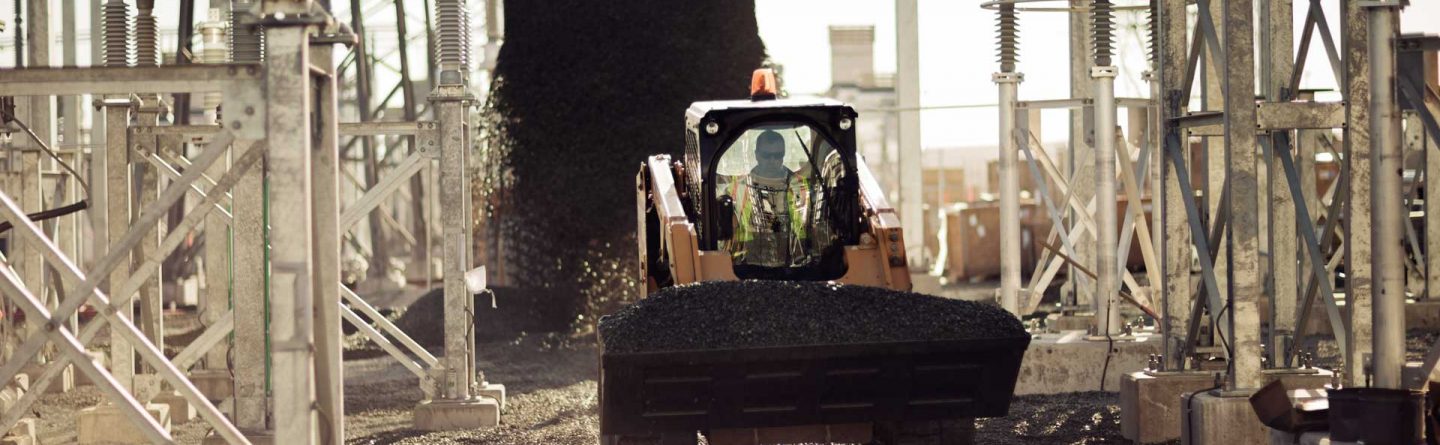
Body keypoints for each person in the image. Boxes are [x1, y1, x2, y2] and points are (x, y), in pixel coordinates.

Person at [722, 130, 811, 267]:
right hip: (747, 266)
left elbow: (808, 230)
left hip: (795, 266)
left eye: (777, 155)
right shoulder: (737, 187)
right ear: (756, 154)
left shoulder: (800, 186)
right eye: (766, 155)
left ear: (783, 155)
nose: (772, 160)